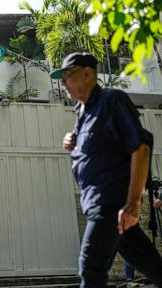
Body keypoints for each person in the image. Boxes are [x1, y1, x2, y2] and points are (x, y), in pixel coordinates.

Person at [50, 52, 162, 287]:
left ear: (88, 73)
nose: (64, 84)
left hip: (109, 203)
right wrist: (72, 142)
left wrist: (133, 202)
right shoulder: (81, 112)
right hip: (97, 203)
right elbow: (94, 149)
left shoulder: (112, 100)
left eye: (68, 76)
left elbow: (140, 148)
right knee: (150, 264)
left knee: (90, 268)